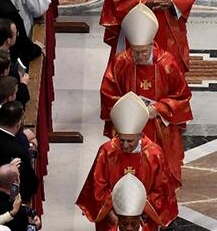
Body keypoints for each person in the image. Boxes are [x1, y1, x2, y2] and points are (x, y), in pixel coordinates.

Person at [99, 4, 192, 182]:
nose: (139, 56)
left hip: (158, 123)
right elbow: (107, 92)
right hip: (128, 126)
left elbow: (182, 96)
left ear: (151, 44)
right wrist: (128, 109)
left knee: (161, 173)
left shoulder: (167, 63)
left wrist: (158, 108)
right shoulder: (121, 62)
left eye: (143, 52)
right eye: (135, 51)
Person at [75, 93, 179, 229]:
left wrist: (141, 211)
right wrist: (111, 212)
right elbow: (97, 186)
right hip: (111, 218)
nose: (125, 145)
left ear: (139, 135)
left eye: (130, 141)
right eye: (121, 139)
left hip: (143, 218)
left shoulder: (154, 154)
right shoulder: (107, 151)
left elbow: (161, 189)